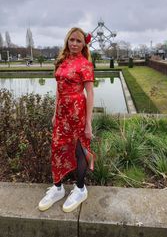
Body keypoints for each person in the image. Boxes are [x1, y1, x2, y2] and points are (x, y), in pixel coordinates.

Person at [38, 27, 95, 212]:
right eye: (72, 40)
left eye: (79, 41)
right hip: (62, 113)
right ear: (67, 40)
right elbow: (59, 89)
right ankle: (57, 187)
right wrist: (55, 113)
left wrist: (88, 123)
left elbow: (90, 94)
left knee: (79, 149)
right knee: (56, 148)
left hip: (77, 112)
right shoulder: (61, 61)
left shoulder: (85, 64)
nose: (75, 44)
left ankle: (80, 189)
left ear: (84, 44)